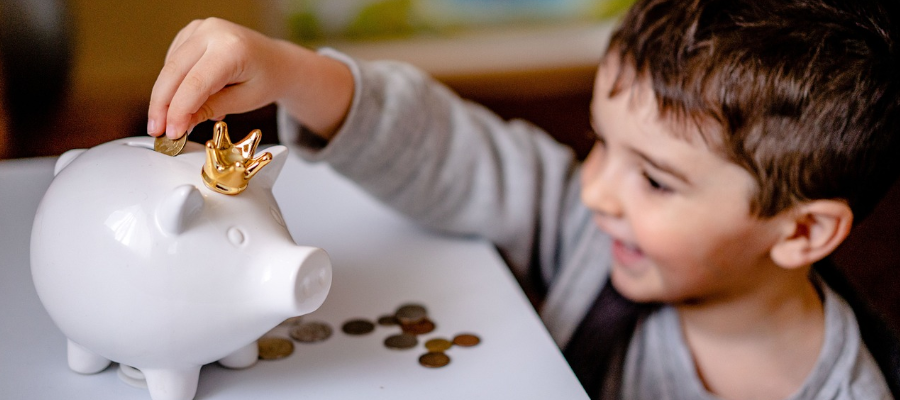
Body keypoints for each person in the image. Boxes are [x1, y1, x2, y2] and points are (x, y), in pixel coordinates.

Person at [147, 0, 899, 398]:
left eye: (654, 180)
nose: (593, 188)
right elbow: (448, 147)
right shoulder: (591, 229)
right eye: (599, 140)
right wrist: (289, 71)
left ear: (802, 233)